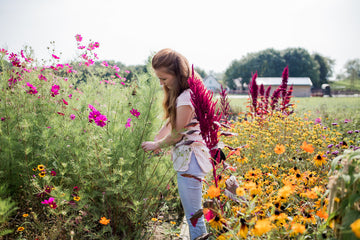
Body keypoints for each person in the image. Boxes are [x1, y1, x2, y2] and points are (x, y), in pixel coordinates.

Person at [141, 48, 212, 240]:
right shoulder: (185, 95)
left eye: (163, 78)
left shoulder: (186, 96)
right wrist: (160, 135)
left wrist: (156, 145)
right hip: (190, 160)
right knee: (194, 213)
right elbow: (175, 122)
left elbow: (178, 134)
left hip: (191, 161)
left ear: (178, 74)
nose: (161, 83)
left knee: (194, 216)